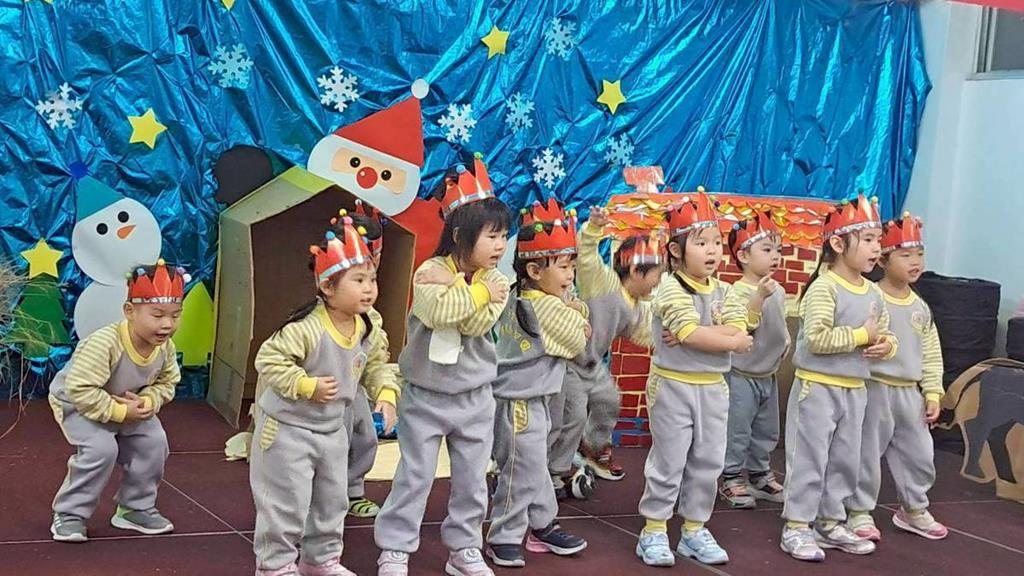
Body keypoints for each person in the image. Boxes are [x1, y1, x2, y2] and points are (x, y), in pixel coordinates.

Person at [374, 154, 511, 576]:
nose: (500, 246)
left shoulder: (498, 281)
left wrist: (459, 287)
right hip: (426, 396)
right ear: (459, 235)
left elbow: (474, 322)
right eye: (491, 236)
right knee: (414, 476)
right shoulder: (428, 271)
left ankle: (464, 548)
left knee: (471, 480)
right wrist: (469, 290)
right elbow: (440, 313)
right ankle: (395, 548)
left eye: (504, 236)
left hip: (475, 398)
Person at [250, 215, 396, 576]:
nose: (369, 289)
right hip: (288, 430)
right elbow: (268, 360)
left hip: (332, 429)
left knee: (332, 501)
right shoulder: (307, 327)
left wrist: (386, 392)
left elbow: (377, 362)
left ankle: (321, 560)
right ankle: (275, 566)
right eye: (358, 280)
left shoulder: (366, 326)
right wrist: (305, 384)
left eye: (372, 279)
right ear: (328, 286)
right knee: (285, 502)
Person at [636, 188, 753, 567]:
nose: (712, 251)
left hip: (713, 388)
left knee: (708, 462)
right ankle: (654, 529)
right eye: (701, 243)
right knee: (669, 461)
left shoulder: (726, 290)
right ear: (676, 250)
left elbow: (739, 329)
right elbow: (693, 334)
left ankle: (693, 529)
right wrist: (722, 339)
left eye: (717, 242)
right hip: (673, 386)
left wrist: (708, 335)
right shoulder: (670, 288)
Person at [780, 193, 896, 562]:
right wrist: (862, 335)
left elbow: (884, 333)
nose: (876, 248)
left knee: (846, 459)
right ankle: (797, 525)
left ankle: (830, 522)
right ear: (838, 244)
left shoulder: (874, 292)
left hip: (855, 389)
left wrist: (886, 345)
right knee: (809, 457)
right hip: (818, 387)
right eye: (868, 239)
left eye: (878, 240)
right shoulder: (824, 287)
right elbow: (816, 339)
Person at [49, 261, 186, 542]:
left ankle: (135, 508)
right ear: (129, 311)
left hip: (127, 406)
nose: (167, 324)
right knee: (101, 449)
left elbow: (167, 382)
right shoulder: (105, 343)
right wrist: (119, 411)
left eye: (175, 315)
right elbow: (79, 388)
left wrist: (149, 400)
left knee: (154, 442)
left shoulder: (165, 347)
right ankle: (70, 513)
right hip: (79, 404)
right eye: (157, 315)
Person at [486, 199, 591, 568]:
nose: (570, 276)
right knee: (520, 469)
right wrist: (579, 316)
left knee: (533, 465)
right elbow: (577, 340)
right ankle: (503, 535)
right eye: (563, 267)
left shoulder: (529, 296)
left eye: (572, 266)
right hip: (518, 402)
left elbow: (576, 322)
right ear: (533, 269)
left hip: (532, 398)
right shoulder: (543, 305)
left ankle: (543, 523)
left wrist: (576, 312)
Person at [844, 212, 948, 541]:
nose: (915, 262)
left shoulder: (921, 307)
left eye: (919, 254)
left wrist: (933, 392)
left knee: (920, 454)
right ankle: (859, 511)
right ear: (883, 261)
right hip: (875, 387)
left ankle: (914, 508)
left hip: (909, 393)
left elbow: (931, 352)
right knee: (866, 452)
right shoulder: (870, 297)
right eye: (905, 255)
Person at [547, 205, 661, 493]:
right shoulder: (604, 283)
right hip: (568, 362)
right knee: (573, 417)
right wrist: (594, 228)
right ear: (635, 270)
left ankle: (594, 448)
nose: (658, 281)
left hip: (592, 365)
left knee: (609, 400)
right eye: (656, 274)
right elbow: (587, 258)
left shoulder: (638, 305)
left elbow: (643, 334)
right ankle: (555, 470)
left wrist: (673, 337)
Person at [718, 212, 789, 509]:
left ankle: (759, 474)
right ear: (743, 256)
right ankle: (731, 476)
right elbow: (743, 326)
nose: (775, 257)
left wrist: (785, 341)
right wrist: (758, 297)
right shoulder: (736, 292)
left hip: (767, 373)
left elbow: (779, 323)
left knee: (766, 429)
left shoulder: (778, 290)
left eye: (778, 250)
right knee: (738, 428)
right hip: (741, 374)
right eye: (767, 249)